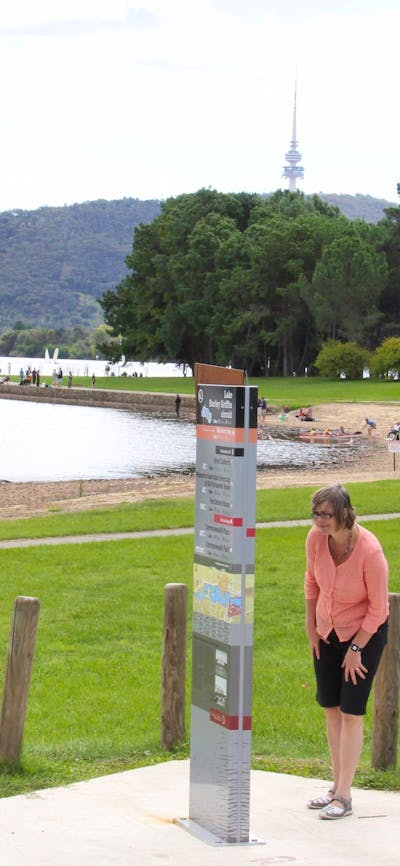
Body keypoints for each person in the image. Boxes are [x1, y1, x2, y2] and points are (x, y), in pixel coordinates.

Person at [304, 483, 388, 820]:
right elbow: (311, 582)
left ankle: (345, 795)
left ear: (343, 514)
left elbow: (379, 610)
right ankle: (334, 786)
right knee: (331, 709)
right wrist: (311, 628)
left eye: (326, 515)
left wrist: (356, 648)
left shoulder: (370, 551)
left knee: (352, 712)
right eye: (316, 514)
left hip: (363, 635)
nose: (319, 521)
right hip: (326, 632)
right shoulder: (315, 540)